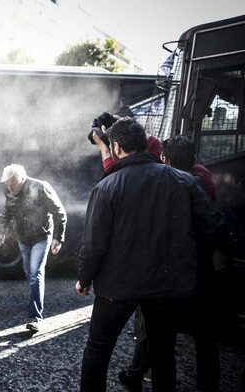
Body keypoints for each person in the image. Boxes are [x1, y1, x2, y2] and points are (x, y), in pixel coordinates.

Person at [76, 118, 225, 391]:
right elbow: (214, 228)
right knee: (163, 354)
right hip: (165, 286)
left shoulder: (107, 187)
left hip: (117, 286)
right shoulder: (184, 181)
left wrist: (84, 278)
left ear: (116, 147)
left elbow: (94, 243)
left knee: (97, 351)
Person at [118, 135, 221, 392]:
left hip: (167, 278)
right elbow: (215, 226)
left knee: (161, 344)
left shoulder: (177, 184)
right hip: (198, 275)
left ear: (166, 159)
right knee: (204, 340)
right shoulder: (199, 177)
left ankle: (142, 377)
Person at [0, 164, 67, 332]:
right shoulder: (9, 190)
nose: (10, 188)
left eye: (12, 184)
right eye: (7, 185)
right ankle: (35, 298)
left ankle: (34, 317)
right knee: (29, 273)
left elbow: (60, 212)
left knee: (35, 274)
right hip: (23, 238)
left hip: (42, 237)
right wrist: (2, 230)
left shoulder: (41, 187)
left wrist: (58, 237)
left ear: (21, 179)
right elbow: (8, 210)